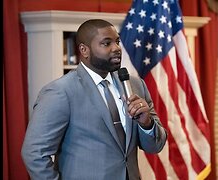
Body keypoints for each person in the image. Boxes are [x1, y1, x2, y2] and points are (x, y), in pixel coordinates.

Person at [21, 19, 167, 180]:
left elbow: (155, 146)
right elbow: (34, 153)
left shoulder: (135, 84)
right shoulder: (60, 91)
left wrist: (147, 124)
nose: (117, 48)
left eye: (117, 41)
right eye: (106, 43)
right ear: (84, 50)